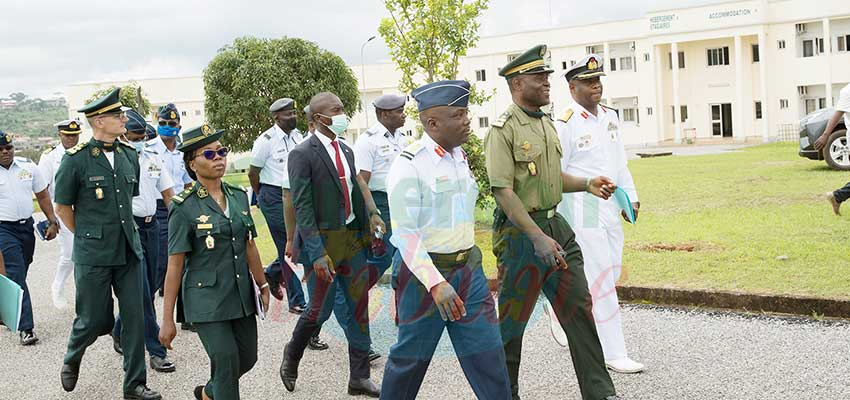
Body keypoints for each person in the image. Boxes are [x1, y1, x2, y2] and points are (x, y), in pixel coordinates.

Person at [483, 44, 620, 400]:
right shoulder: (502, 129)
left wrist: (585, 184)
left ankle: (600, 393)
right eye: (539, 76)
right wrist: (536, 237)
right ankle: (503, 393)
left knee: (579, 310)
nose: (547, 82)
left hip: (556, 228)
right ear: (516, 82)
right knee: (512, 326)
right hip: (520, 235)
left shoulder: (546, 122)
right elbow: (504, 192)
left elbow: (549, 178)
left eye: (546, 75)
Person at [380, 80, 512, 399]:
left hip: (468, 270)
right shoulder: (409, 165)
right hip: (423, 277)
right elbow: (406, 234)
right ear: (433, 123)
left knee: (488, 353)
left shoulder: (458, 156)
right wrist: (436, 284)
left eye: (466, 112)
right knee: (410, 359)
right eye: (459, 114)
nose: (467, 120)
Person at [54, 89, 161, 399]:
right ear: (99, 121)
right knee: (93, 320)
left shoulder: (130, 156)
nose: (124, 119)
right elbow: (63, 208)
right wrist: (87, 236)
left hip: (129, 250)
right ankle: (73, 356)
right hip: (94, 254)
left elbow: (128, 201)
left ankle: (134, 385)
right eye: (118, 116)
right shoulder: (76, 160)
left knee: (134, 318)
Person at [279, 92, 385, 397]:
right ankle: (292, 353)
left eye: (342, 109)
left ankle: (359, 377)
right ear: (317, 119)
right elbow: (302, 207)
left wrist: (373, 212)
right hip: (323, 243)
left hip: (350, 239)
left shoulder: (346, 150)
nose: (342, 115)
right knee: (319, 310)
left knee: (359, 307)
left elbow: (357, 184)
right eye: (336, 111)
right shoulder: (302, 154)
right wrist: (317, 253)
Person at [159, 124, 270, 400]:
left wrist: (263, 283)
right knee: (227, 360)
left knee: (247, 358)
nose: (219, 158)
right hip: (206, 298)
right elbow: (174, 266)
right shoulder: (183, 207)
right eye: (209, 154)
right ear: (192, 163)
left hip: (240, 294)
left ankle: (209, 393)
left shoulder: (238, 195)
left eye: (221, 151)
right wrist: (167, 320)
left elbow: (249, 244)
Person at [552, 55, 643, 374]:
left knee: (612, 269)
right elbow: (556, 175)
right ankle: (614, 351)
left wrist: (630, 196)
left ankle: (561, 300)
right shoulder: (564, 123)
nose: (596, 87)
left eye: (599, 81)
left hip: (610, 203)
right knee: (603, 276)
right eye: (589, 82)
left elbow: (621, 163)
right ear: (572, 86)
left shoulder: (611, 117)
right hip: (583, 207)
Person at [110, 110, 176, 373]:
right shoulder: (114, 160)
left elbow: (168, 193)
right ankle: (156, 351)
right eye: (135, 137)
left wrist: (180, 223)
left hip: (153, 226)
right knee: (144, 291)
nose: (140, 141)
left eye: (142, 137)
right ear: (123, 136)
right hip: (130, 229)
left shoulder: (152, 157)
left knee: (151, 284)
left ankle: (118, 328)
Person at [0, 130, 59, 345]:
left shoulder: (28, 166)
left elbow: (42, 195)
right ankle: (26, 327)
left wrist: (52, 220)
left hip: (26, 228)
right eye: (1, 150)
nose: (6, 152)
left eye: (9, 148)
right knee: (16, 273)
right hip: (3, 229)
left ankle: (7, 308)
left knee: (21, 269)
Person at [248, 97, 307, 314]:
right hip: (272, 195)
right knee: (287, 244)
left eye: (294, 112)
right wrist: (260, 195)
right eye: (287, 114)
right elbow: (253, 172)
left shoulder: (299, 136)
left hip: (294, 194)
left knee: (297, 241)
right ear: (276, 118)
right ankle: (297, 300)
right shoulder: (266, 140)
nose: (293, 116)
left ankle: (272, 273)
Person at [148, 103, 193, 297]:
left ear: (179, 126)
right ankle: (147, 306)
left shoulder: (183, 152)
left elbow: (187, 183)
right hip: (159, 208)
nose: (167, 126)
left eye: (171, 123)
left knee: (184, 256)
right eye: (163, 122)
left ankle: (186, 313)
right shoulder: (151, 150)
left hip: (180, 206)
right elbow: (151, 183)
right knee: (160, 260)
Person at [38, 119, 82, 309]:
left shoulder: (85, 153)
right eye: (67, 135)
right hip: (62, 209)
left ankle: (84, 294)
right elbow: (42, 189)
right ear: (60, 135)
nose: (71, 139)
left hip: (84, 209)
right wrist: (51, 219)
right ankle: (58, 286)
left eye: (75, 135)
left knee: (85, 253)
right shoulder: (50, 158)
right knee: (70, 252)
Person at [814, 82, 850, 215]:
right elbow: (838, 113)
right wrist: (825, 135)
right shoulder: (847, 91)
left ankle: (837, 196)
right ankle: (837, 196)